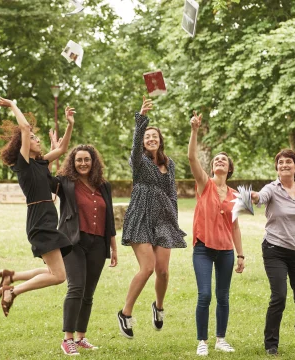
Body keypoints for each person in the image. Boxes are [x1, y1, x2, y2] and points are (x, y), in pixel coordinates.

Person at [0, 96, 75, 317]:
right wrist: (12, 104)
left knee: (53, 271)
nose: (37, 140)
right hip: (39, 220)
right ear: (25, 145)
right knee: (59, 276)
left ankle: (12, 275)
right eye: (33, 138)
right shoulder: (25, 165)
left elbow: (62, 149)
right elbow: (24, 127)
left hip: (46, 217)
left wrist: (69, 125)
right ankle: (12, 291)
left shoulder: (40, 164)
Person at [117, 96, 187, 339]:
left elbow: (172, 193)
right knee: (146, 268)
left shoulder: (170, 164)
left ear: (160, 141)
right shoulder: (138, 161)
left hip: (164, 220)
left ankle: (158, 307)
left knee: (163, 272)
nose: (151, 139)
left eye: (154, 136)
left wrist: (174, 221)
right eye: (147, 136)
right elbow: (135, 146)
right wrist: (141, 121)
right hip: (140, 217)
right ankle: (125, 313)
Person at [48, 140, 118, 356]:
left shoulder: (103, 185)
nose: (83, 163)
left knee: (88, 293)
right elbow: (46, 178)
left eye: (87, 159)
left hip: (98, 243)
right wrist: (55, 151)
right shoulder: (65, 183)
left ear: (93, 161)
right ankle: (67, 339)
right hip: (73, 242)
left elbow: (109, 219)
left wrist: (114, 248)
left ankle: (81, 337)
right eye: (79, 160)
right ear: (73, 162)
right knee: (76, 288)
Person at [250, 149, 295, 356]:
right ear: (277, 168)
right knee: (279, 296)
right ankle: (271, 343)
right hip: (275, 249)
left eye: (288, 162)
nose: (284, 165)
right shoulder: (271, 189)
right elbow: (260, 198)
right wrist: (254, 196)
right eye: (280, 162)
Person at [187, 111, 245, 356]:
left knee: (223, 296)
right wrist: (194, 130)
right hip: (202, 248)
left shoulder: (235, 195)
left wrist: (240, 255)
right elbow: (191, 157)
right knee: (205, 294)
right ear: (212, 167)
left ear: (229, 168)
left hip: (226, 251)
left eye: (224, 159)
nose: (220, 161)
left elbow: (235, 226)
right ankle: (202, 341)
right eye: (216, 159)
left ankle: (221, 339)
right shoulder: (204, 184)